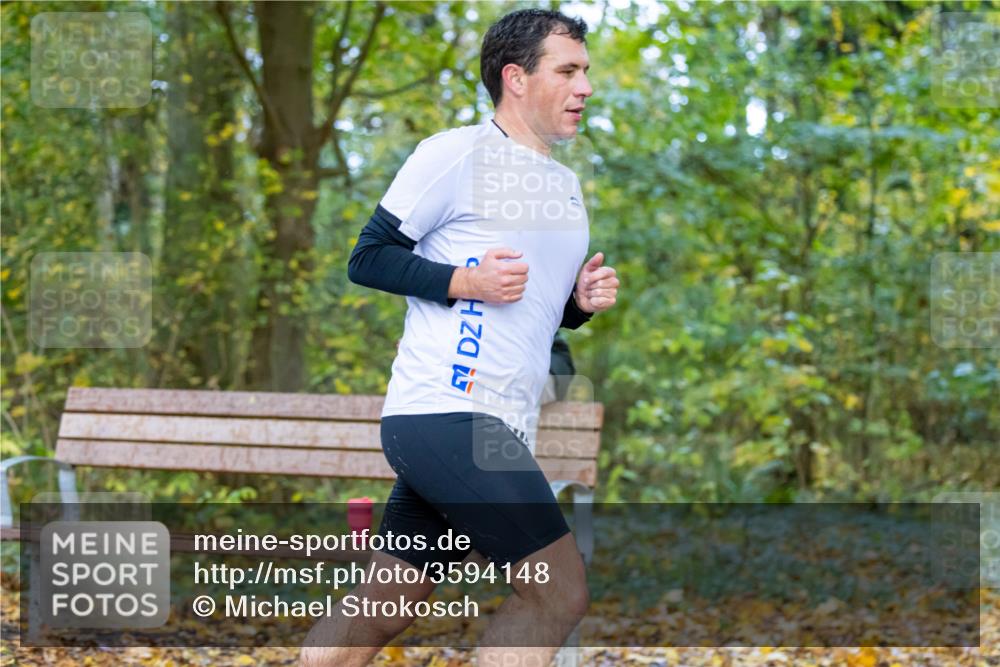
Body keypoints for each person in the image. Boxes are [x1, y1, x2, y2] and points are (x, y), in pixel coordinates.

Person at [300, 9, 619, 667]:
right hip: (448, 412)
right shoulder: (456, 153)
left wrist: (577, 305)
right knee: (557, 593)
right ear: (516, 78)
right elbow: (368, 255)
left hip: (495, 423)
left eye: (585, 70)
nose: (585, 85)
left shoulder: (565, 189)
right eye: (568, 70)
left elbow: (532, 312)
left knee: (389, 598)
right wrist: (463, 280)